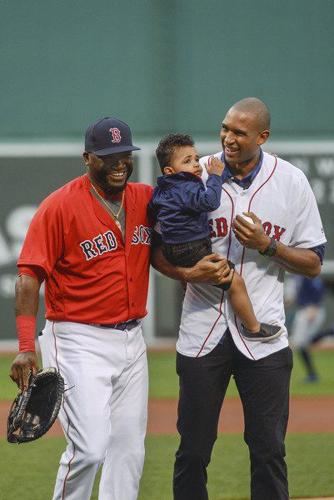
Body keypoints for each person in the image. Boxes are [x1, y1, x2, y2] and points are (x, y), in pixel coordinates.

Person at [151, 97, 327, 500]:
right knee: (193, 451)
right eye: (225, 128)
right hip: (201, 328)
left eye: (239, 133)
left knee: (268, 451)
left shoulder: (291, 181)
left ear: (262, 137)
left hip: (264, 334)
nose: (228, 138)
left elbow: (314, 262)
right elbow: (156, 250)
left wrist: (270, 247)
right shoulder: (195, 173)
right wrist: (185, 272)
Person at [9, 117, 153, 500]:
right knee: (89, 449)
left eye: (125, 155)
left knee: (129, 451)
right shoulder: (60, 206)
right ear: (88, 158)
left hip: (132, 339)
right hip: (77, 339)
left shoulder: (143, 199)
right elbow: (28, 277)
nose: (120, 163)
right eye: (109, 157)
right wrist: (25, 345)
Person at [149, 133, 282, 342]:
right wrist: (215, 176)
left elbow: (153, 213)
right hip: (191, 248)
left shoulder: (160, 191)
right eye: (187, 161)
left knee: (196, 280)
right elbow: (209, 202)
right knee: (235, 281)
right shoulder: (186, 185)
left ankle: (189, 289)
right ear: (169, 171)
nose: (196, 164)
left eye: (195, 158)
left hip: (171, 249)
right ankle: (254, 328)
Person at [289, 276, 326, 382]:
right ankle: (312, 375)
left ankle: (311, 375)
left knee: (298, 343)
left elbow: (319, 289)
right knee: (301, 344)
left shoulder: (307, 274)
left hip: (310, 310)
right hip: (304, 309)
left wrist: (315, 305)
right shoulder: (297, 277)